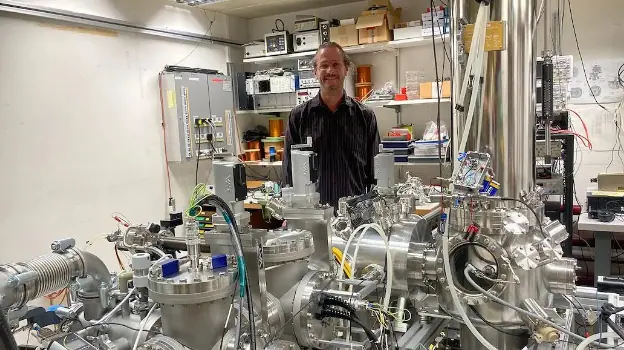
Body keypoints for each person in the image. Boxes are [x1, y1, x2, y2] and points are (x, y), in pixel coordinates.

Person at [282, 42, 381, 208]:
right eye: (324, 65)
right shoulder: (299, 117)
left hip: (355, 216)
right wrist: (289, 209)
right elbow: (288, 171)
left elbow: (375, 173)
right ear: (315, 71)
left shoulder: (365, 116)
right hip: (313, 214)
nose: (330, 71)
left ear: (346, 69)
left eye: (336, 64)